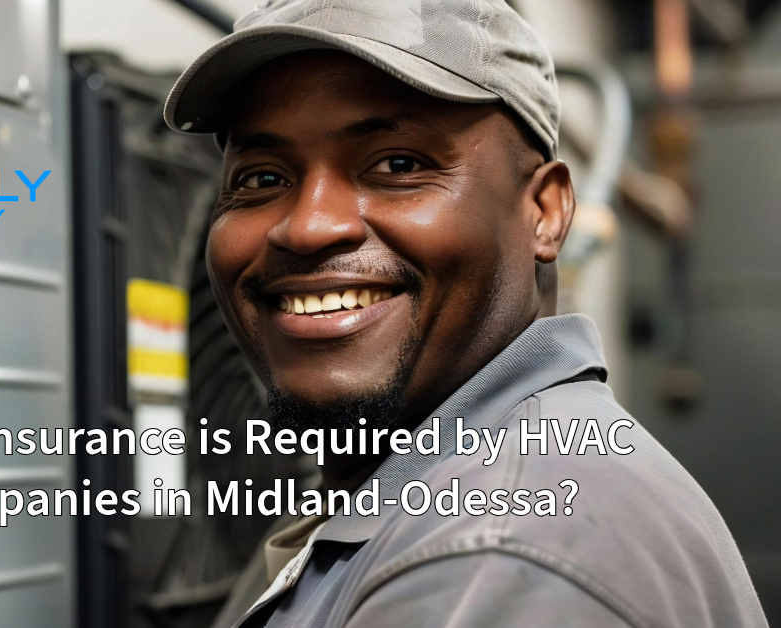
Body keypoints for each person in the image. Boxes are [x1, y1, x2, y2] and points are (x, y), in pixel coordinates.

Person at [164, 1, 768, 627]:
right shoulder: (413, 498)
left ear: (546, 212)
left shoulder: (495, 558)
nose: (310, 225)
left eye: (399, 165)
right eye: (261, 178)